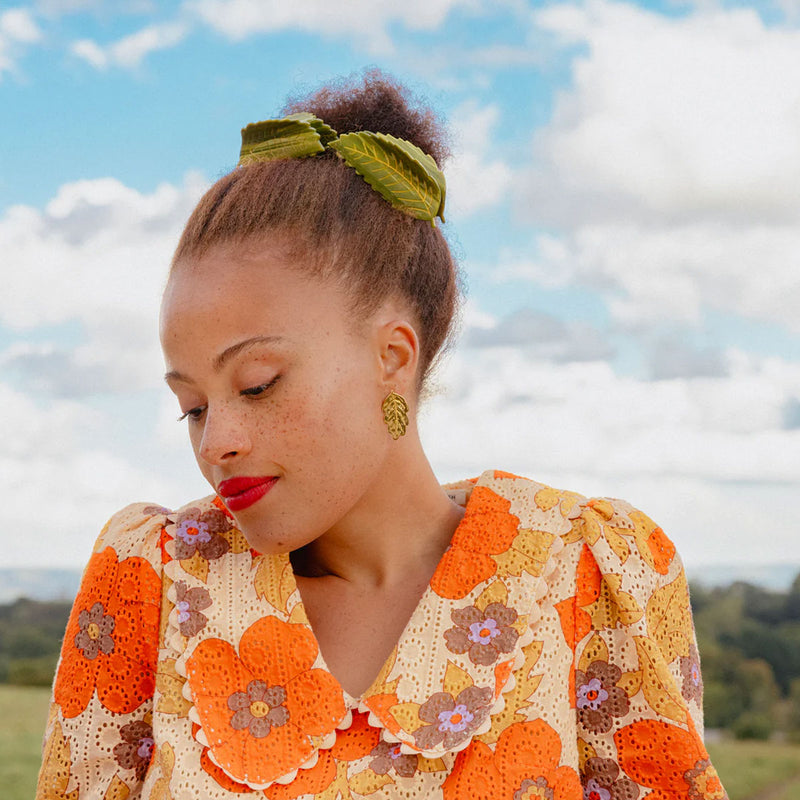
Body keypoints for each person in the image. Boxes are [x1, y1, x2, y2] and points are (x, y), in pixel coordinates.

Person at [36, 72, 727, 800]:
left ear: (392, 358)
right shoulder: (153, 578)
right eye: (193, 407)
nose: (217, 444)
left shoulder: (587, 572)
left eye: (259, 383)